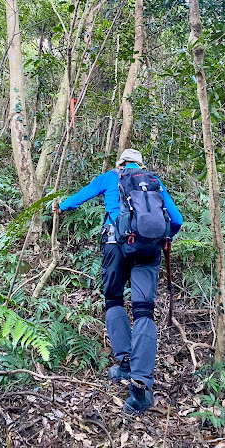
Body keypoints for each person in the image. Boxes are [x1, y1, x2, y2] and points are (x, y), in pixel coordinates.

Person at [53, 148, 183, 414]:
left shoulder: (110, 177)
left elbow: (76, 199)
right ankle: (141, 388)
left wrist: (57, 206)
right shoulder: (155, 182)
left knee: (113, 300)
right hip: (149, 249)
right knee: (144, 310)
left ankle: (124, 362)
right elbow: (177, 220)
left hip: (114, 244)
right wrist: (164, 238)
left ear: (121, 162)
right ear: (141, 164)